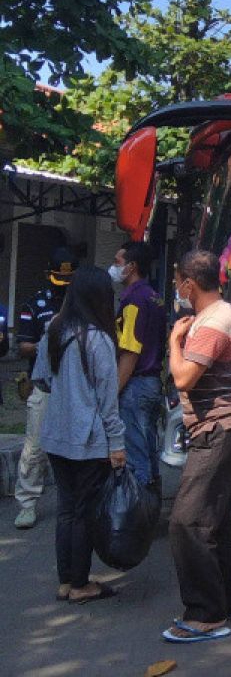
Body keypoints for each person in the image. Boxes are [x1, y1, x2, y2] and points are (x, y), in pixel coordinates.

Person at [164, 250, 231, 643]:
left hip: (219, 429)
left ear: (189, 284)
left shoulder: (214, 322)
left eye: (177, 281)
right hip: (223, 428)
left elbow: (183, 378)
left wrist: (173, 341)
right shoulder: (219, 315)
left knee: (187, 521)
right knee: (214, 521)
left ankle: (205, 615)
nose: (176, 288)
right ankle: (222, 602)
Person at [31, 264, 125, 603]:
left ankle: (66, 581)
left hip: (55, 434)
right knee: (83, 512)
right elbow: (107, 400)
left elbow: (40, 379)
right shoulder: (97, 339)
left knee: (67, 509)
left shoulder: (54, 329)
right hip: (88, 440)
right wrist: (117, 444)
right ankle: (80, 584)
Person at [13, 246, 77, 530]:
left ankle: (73, 502)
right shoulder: (35, 304)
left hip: (74, 390)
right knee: (34, 449)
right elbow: (22, 347)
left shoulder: (82, 304)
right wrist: (46, 343)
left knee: (75, 447)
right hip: (43, 387)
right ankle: (27, 504)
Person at [110, 240, 167, 489]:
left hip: (136, 385)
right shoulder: (155, 297)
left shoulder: (133, 301)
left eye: (117, 262)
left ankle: (137, 512)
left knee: (135, 454)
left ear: (131, 267)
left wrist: (113, 392)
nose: (113, 267)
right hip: (153, 383)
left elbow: (130, 352)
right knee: (149, 447)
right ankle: (151, 504)